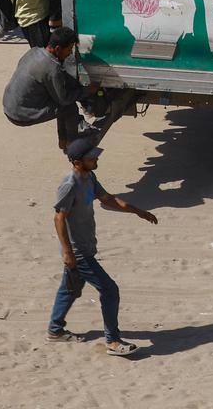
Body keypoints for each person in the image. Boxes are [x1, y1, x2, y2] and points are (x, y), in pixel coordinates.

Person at [48, 137, 159, 356]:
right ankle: (113, 341)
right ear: (78, 161)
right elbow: (58, 218)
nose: (97, 158)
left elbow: (107, 199)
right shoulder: (69, 184)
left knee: (70, 289)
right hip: (78, 252)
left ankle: (55, 331)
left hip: (85, 246)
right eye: (92, 157)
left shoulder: (89, 177)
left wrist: (138, 211)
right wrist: (69, 252)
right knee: (109, 290)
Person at [2, 26, 93, 149]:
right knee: (68, 107)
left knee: (61, 101)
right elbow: (64, 100)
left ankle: (63, 141)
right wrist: (87, 91)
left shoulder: (34, 51)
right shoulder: (52, 69)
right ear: (57, 49)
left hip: (9, 104)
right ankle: (73, 146)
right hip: (20, 114)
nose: (69, 53)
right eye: (69, 49)